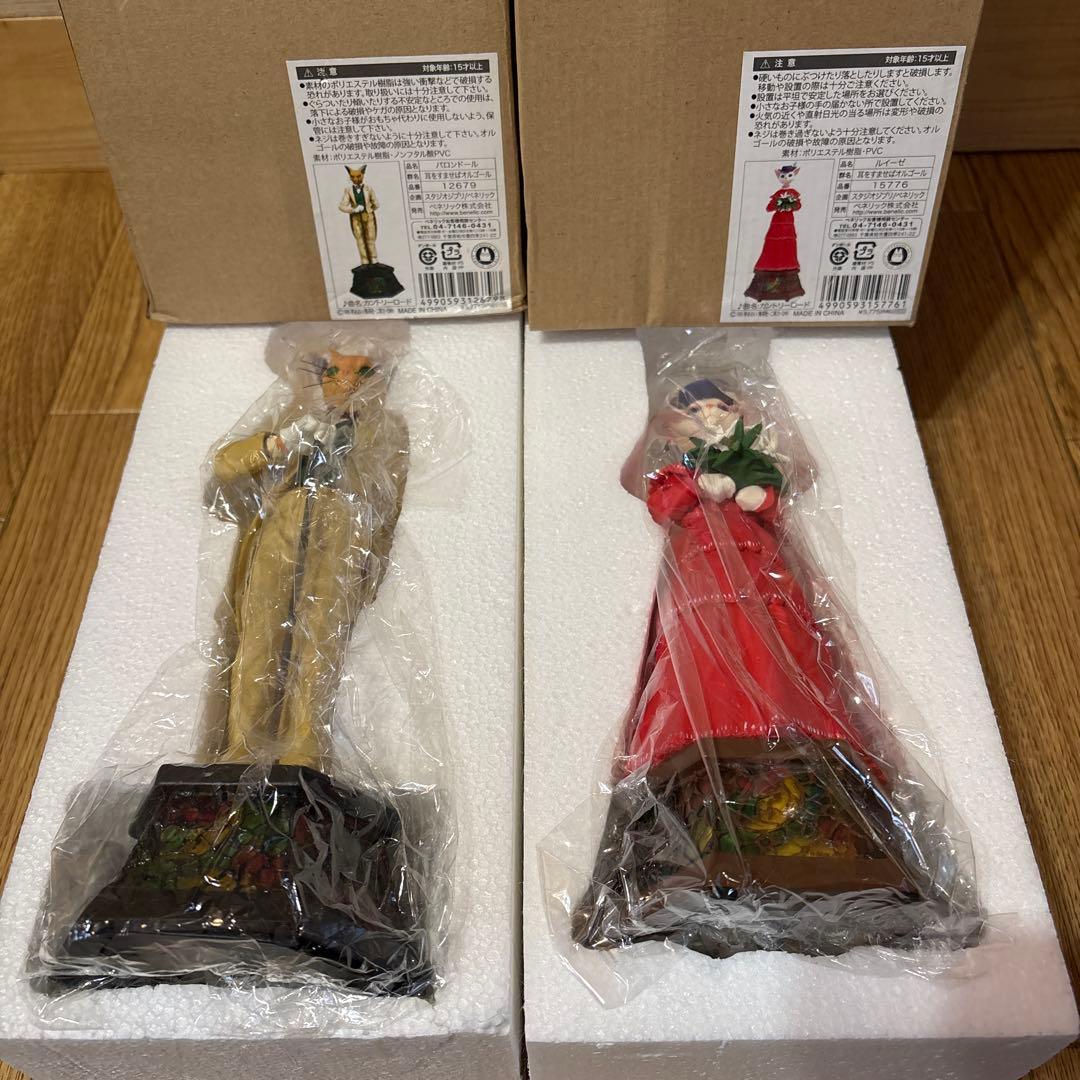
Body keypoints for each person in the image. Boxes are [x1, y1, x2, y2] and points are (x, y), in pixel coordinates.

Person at [744, 164, 804, 302]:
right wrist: (778, 204)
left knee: (787, 244)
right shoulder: (778, 194)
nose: (786, 178)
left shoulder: (793, 192)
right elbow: (769, 208)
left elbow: (798, 206)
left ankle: (786, 267)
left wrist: (790, 205)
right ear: (779, 176)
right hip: (777, 222)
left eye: (789, 175)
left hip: (788, 223)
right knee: (773, 244)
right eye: (782, 176)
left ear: (794, 175)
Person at [339, 164, 380, 265]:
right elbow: (342, 206)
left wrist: (369, 209)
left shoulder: (368, 188)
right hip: (356, 218)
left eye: (358, 176)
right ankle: (364, 260)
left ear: (363, 175)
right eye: (352, 177)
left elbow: (376, 204)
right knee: (360, 239)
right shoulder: (348, 190)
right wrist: (353, 210)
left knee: (371, 238)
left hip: (368, 216)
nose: (355, 179)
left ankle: (373, 258)